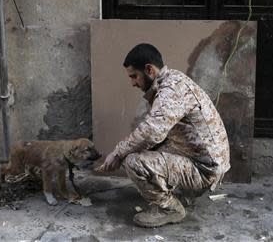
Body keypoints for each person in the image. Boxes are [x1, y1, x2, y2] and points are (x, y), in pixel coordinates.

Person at [95, 43, 230, 228]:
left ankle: (170, 209)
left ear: (149, 69)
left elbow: (152, 131)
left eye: (134, 76)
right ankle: (182, 194)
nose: (133, 83)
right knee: (148, 147)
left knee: (134, 161)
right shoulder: (172, 81)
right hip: (201, 156)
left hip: (205, 168)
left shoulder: (172, 90)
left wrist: (118, 153)